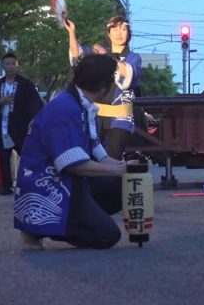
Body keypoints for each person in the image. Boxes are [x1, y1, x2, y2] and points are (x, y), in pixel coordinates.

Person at [14, 54, 127, 250]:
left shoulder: (81, 104)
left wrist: (125, 168)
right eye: (113, 81)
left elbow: (98, 153)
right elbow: (74, 165)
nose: (116, 87)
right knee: (108, 236)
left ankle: (77, 219)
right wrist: (118, 171)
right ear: (102, 87)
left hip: (70, 183)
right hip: (54, 186)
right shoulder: (64, 108)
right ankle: (42, 227)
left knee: (124, 185)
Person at [66, 17, 143, 159]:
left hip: (121, 117)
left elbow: (128, 76)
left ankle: (112, 179)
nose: (119, 33)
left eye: (123, 29)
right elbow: (77, 57)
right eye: (114, 29)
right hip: (95, 116)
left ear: (129, 33)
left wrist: (106, 56)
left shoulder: (134, 58)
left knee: (113, 156)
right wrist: (72, 32)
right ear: (108, 33)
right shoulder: (99, 53)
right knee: (89, 156)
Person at [0, 52, 45, 194]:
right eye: (7, 64)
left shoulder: (25, 84)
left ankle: (30, 182)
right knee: (4, 156)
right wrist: (0, 102)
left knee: (26, 155)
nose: (10, 67)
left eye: (13, 63)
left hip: (21, 125)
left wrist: (33, 119)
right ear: (3, 66)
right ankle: (7, 186)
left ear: (17, 65)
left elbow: (35, 102)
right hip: (3, 126)